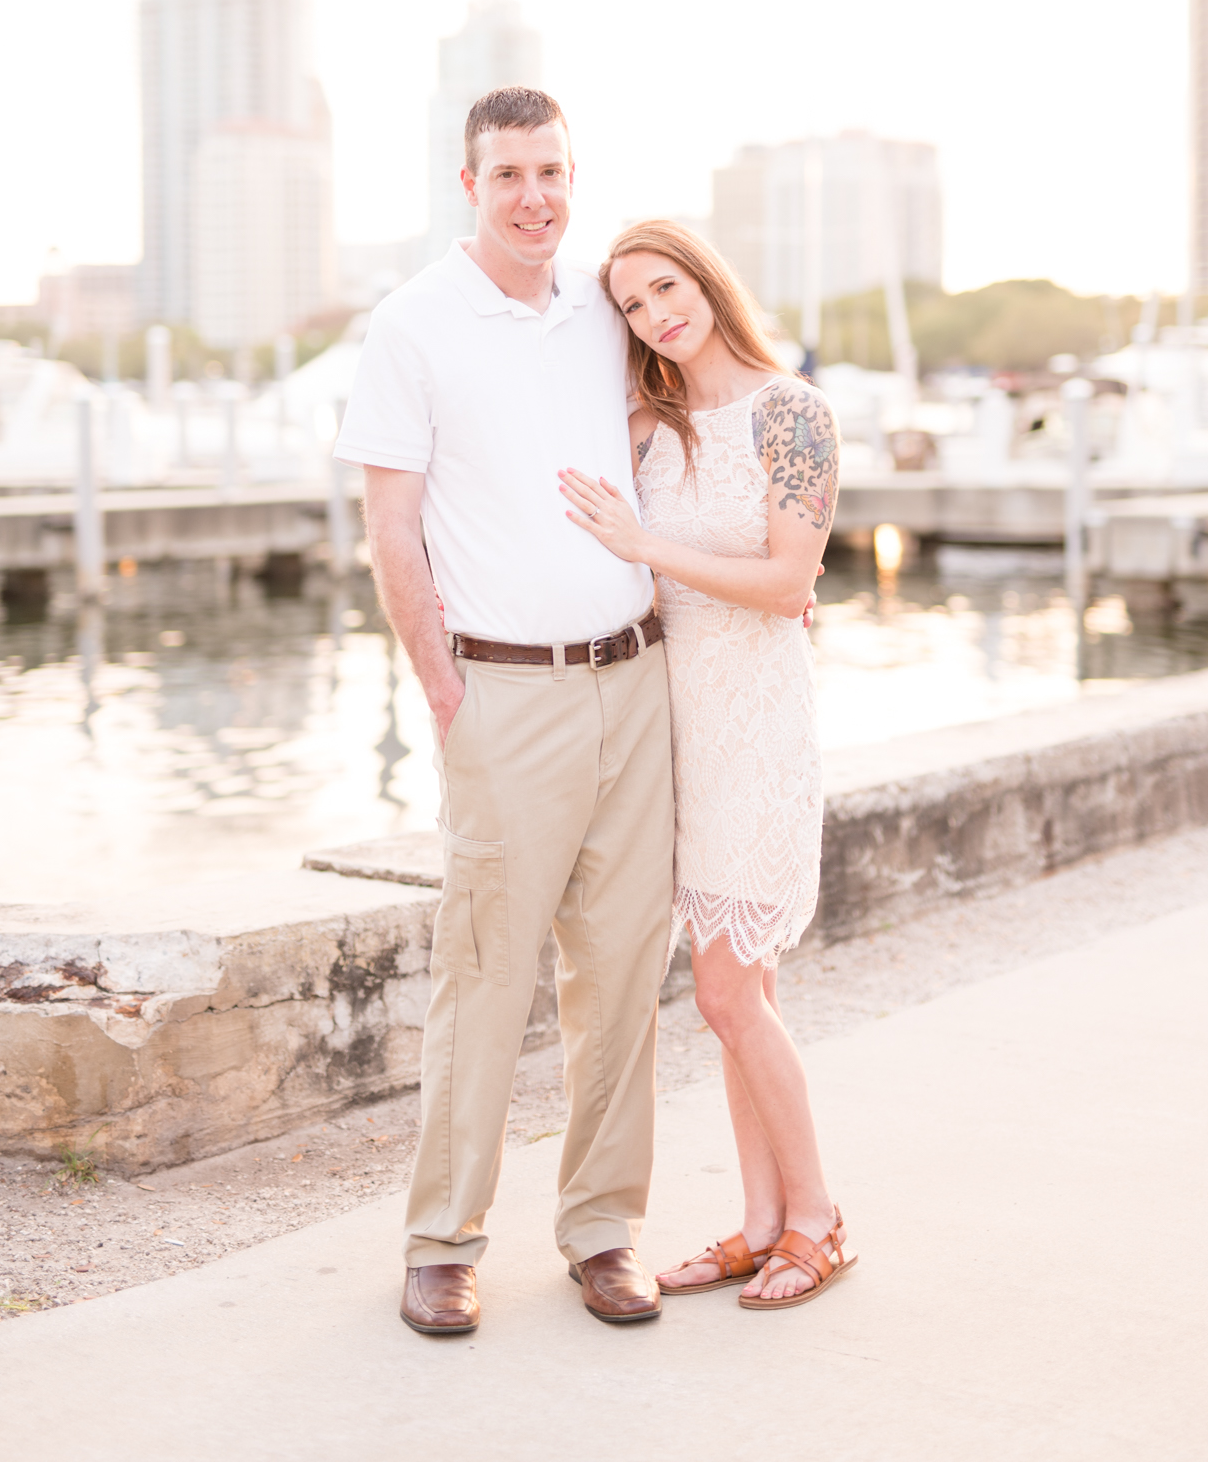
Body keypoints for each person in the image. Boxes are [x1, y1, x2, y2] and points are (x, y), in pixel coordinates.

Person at [334, 89, 675, 1336]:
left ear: (571, 175)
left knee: (624, 966)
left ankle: (601, 1228)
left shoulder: (603, 304)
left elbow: (678, 434)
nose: (534, 193)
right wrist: (441, 688)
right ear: (466, 181)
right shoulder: (414, 323)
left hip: (636, 680)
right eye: (508, 172)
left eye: (551, 169)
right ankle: (441, 1239)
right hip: (503, 693)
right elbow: (390, 524)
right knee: (484, 973)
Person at [559, 219, 856, 1312]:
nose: (653, 315)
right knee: (741, 993)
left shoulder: (794, 413)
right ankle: (763, 1219)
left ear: (706, 282)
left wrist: (644, 547)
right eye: (631, 305)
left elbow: (787, 583)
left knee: (729, 994)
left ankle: (818, 1217)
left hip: (757, 727)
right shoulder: (650, 425)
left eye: (665, 288)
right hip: (672, 732)